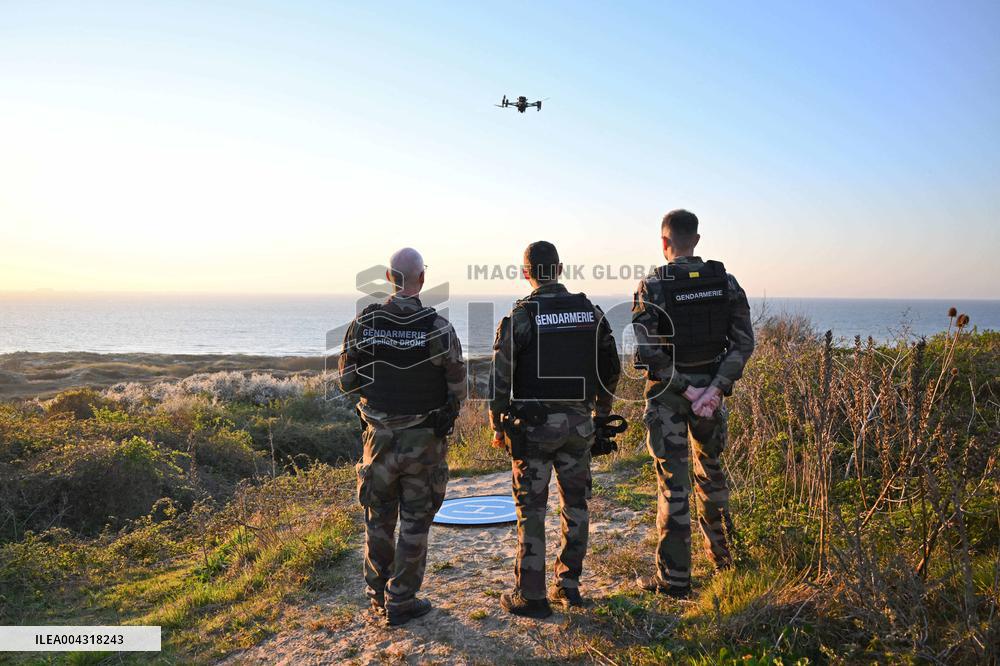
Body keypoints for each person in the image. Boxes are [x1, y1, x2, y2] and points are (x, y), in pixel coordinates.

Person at [489, 241, 620, 618]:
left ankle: (531, 596)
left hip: (533, 430)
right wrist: (600, 416)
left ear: (526, 272)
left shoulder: (523, 316)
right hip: (579, 427)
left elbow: (500, 378)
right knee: (575, 505)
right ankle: (569, 586)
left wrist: (498, 424)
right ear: (559, 268)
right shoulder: (589, 313)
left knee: (531, 509)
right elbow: (610, 368)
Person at [338, 247, 467, 626]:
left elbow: (347, 381)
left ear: (390, 278)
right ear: (421, 278)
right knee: (414, 520)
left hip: (377, 440)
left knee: (378, 519)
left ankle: (377, 597)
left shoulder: (365, 323)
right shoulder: (437, 327)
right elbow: (458, 389)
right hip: (423, 442)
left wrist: (375, 408)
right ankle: (402, 599)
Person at [630, 210, 754, 598]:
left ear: (664, 242)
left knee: (673, 486)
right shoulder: (725, 282)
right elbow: (743, 343)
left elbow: (649, 352)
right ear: (696, 240)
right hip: (710, 399)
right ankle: (725, 563)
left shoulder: (652, 287)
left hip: (671, 398)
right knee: (712, 475)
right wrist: (714, 390)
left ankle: (675, 580)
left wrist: (686, 390)